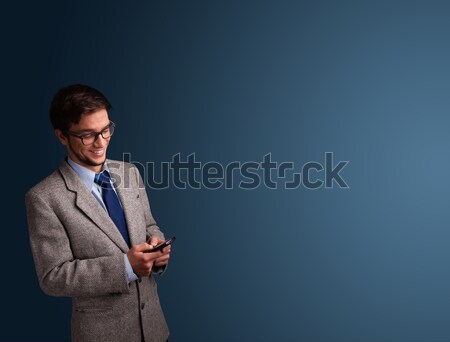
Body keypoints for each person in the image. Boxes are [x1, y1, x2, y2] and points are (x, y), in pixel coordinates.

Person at [25, 84, 171, 342]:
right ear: (62, 136)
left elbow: (149, 225)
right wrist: (125, 266)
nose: (100, 142)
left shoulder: (130, 172)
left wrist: (156, 246)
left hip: (156, 330)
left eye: (106, 130)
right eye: (87, 135)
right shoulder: (44, 198)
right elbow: (53, 276)